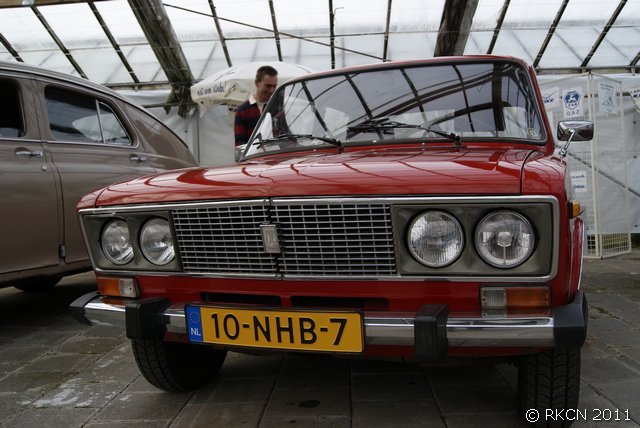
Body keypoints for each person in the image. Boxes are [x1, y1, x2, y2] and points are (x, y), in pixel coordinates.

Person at [234, 65, 278, 147]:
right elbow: (239, 144)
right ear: (257, 83)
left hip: (276, 154)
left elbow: (285, 134)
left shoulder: (277, 107)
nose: (272, 90)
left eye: (274, 86)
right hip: (254, 155)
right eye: (268, 86)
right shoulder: (242, 111)